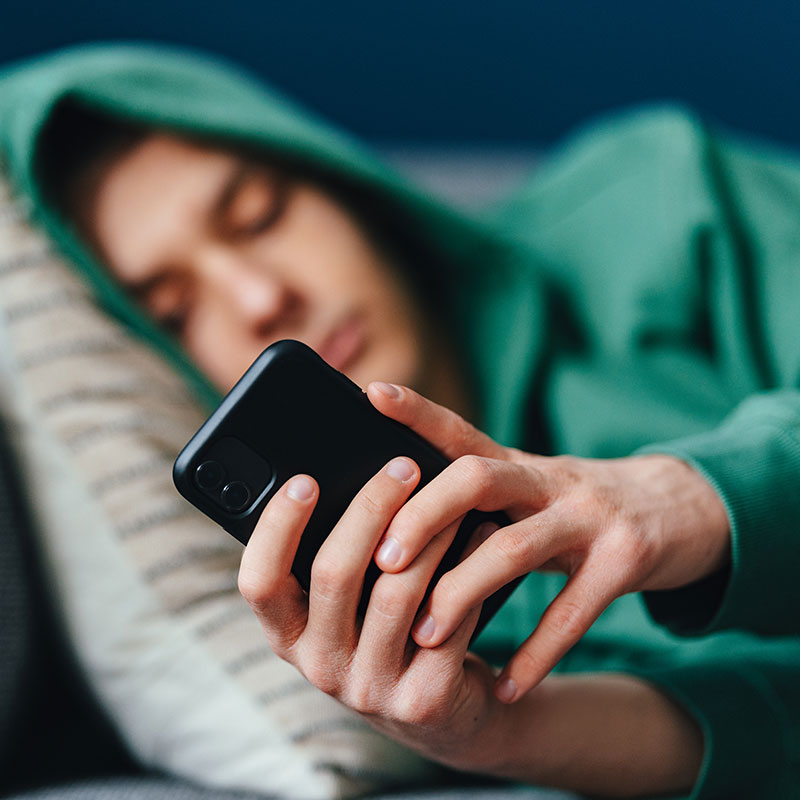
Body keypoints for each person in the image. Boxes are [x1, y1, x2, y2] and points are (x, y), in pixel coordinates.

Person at [1, 43, 799, 799]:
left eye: (259, 213)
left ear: (339, 181)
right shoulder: (383, 613)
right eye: (175, 314)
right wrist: (502, 736)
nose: (261, 297)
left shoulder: (664, 196)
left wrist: (692, 499)